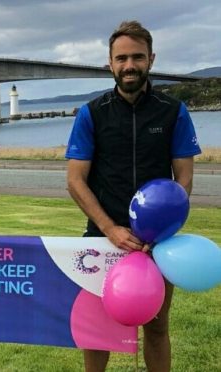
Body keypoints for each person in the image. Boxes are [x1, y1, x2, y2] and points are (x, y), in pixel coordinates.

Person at [65, 21, 201, 372]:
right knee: (98, 332)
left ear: (151, 59)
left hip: (158, 243)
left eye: (137, 57)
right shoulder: (92, 113)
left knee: (157, 326)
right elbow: (75, 181)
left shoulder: (173, 111)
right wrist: (110, 228)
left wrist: (159, 230)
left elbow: (184, 179)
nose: (129, 65)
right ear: (109, 63)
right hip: (103, 238)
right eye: (121, 58)